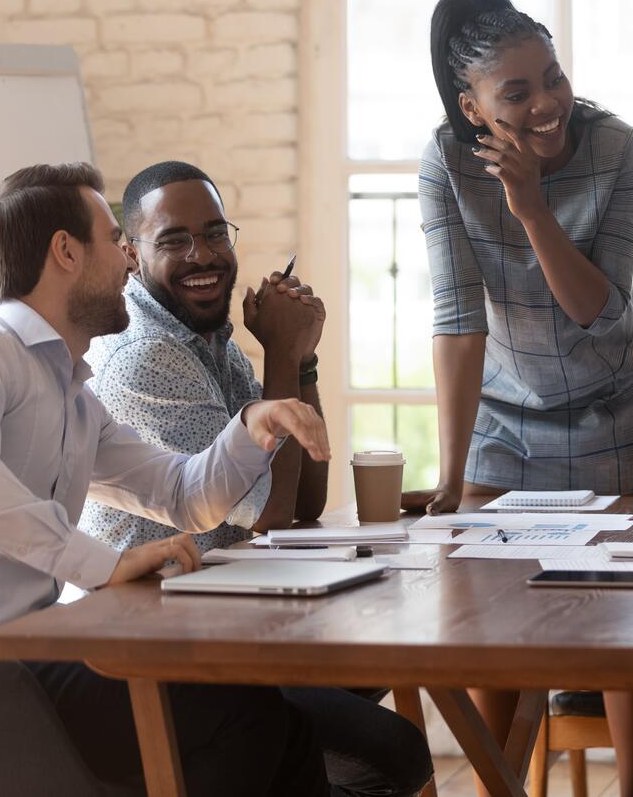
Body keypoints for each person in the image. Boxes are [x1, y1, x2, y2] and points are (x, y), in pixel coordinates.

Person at [0, 162, 339, 795]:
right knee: (245, 718)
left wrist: (254, 423)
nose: (129, 261)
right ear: (65, 251)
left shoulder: (75, 395)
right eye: (115, 241)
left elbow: (184, 496)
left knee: (279, 724)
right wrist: (100, 562)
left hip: (27, 653)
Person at [80, 160, 432, 797]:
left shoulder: (204, 334)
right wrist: (280, 353)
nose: (202, 254)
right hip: (165, 652)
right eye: (175, 240)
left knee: (371, 668)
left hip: (234, 626)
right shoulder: (145, 354)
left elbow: (307, 498)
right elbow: (267, 508)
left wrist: (302, 361)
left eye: (216, 233)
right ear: (131, 255)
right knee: (394, 754)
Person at [409, 0, 633, 796]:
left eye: (552, 78)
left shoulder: (612, 145)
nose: (547, 103)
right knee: (493, 634)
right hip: (507, 416)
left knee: (620, 633)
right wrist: (452, 478)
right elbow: (457, 321)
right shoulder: (446, 161)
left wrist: (529, 209)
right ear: (471, 105)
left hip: (614, 403)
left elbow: (598, 308)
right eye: (517, 93)